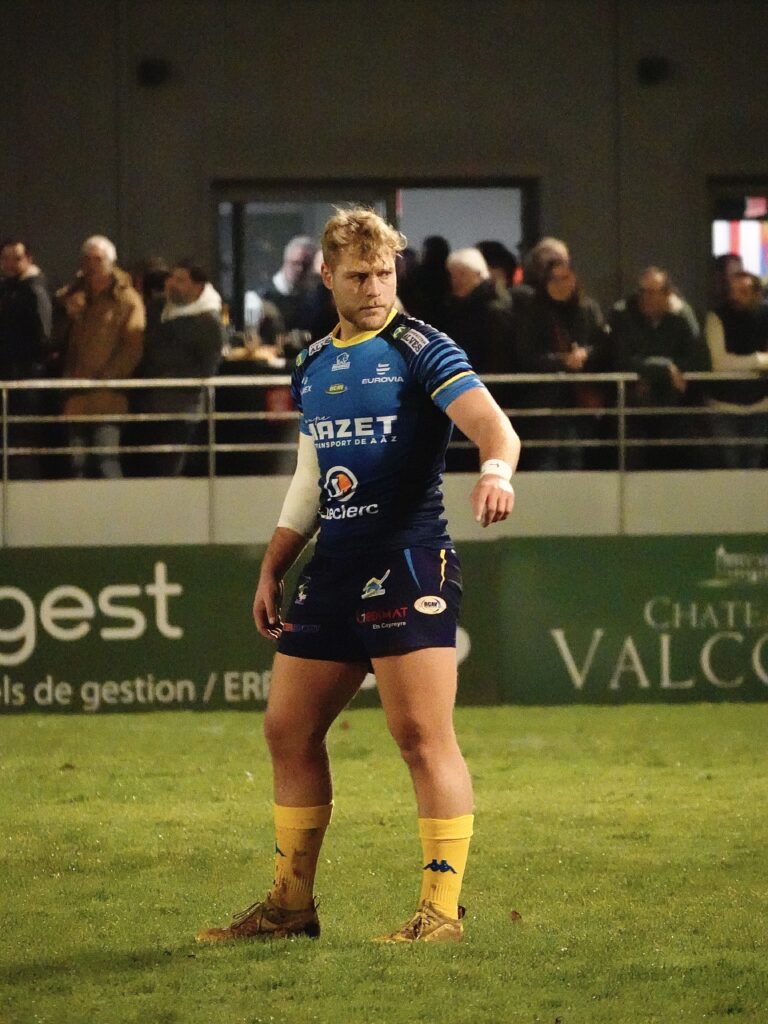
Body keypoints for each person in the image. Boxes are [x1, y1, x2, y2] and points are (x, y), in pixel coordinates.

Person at [196, 207, 520, 945]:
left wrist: (496, 471)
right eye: (358, 276)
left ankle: (440, 913)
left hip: (408, 560)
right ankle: (290, 907)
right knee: (287, 730)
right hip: (335, 566)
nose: (374, 288)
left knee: (420, 736)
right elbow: (311, 478)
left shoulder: (422, 349)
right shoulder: (313, 362)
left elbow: (496, 429)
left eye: (383, 273)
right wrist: (274, 565)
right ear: (327, 276)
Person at [56, 236, 145, 478]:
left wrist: (109, 375)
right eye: (87, 260)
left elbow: (133, 346)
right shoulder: (72, 295)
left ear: (111, 262)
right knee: (76, 464)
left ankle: (117, 502)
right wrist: (67, 313)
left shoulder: (127, 299)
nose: (92, 265)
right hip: (75, 394)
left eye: (98, 259)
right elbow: (54, 339)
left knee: (106, 460)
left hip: (108, 396)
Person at [609, 267, 710, 468]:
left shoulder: (682, 315)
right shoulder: (623, 313)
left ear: (667, 294)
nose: (645, 298)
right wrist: (666, 367)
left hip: (675, 408)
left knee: (684, 459)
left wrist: (650, 368)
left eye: (652, 292)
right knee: (632, 461)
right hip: (635, 409)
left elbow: (700, 361)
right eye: (642, 291)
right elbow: (621, 359)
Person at [513, 257, 609, 469]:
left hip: (579, 402)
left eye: (565, 278)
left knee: (577, 461)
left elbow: (603, 346)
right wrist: (563, 361)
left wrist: (585, 354)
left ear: (574, 279)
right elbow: (526, 356)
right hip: (545, 403)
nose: (560, 284)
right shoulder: (533, 312)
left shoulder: (588, 308)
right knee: (545, 462)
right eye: (553, 279)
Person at [131, 260, 224, 476]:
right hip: (151, 407)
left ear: (198, 287)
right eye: (171, 278)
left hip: (182, 410)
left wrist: (167, 376)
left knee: (169, 471)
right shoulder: (157, 310)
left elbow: (207, 368)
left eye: (180, 280)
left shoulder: (208, 322)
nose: (171, 283)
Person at [0, 239, 53, 478]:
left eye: (17, 258)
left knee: (22, 437)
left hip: (25, 378)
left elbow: (42, 337)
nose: (10, 264)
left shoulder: (33, 290)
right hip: (14, 375)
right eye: (5, 258)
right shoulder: (11, 288)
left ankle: (26, 486)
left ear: (29, 259)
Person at [704, 271, 768, 468]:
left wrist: (739, 362)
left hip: (760, 405)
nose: (735, 296)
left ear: (757, 293)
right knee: (730, 468)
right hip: (724, 406)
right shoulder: (717, 317)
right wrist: (759, 360)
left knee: (754, 466)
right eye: (733, 291)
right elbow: (719, 363)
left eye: (743, 291)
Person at [444, 247, 515, 373]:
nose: (456, 281)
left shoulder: (493, 310)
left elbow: (499, 358)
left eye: (462, 274)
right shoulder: (458, 307)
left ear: (479, 274)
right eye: (453, 275)